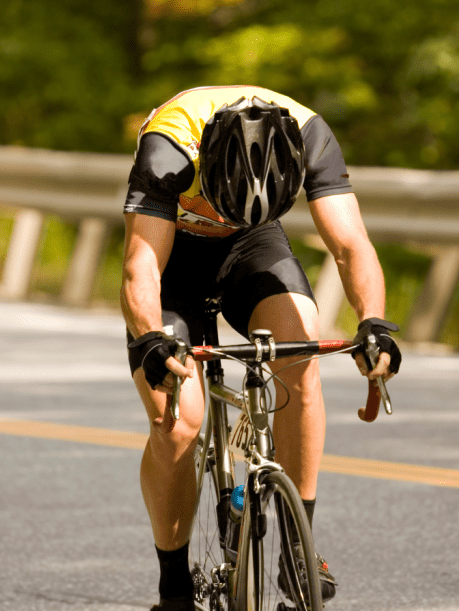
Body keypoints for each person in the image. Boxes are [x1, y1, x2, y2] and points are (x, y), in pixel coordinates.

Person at [120, 86, 402, 611]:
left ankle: (300, 550)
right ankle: (174, 586)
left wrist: (373, 324)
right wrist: (151, 339)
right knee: (178, 422)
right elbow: (141, 266)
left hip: (254, 245)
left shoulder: (310, 134)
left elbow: (350, 245)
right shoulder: (170, 146)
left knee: (301, 360)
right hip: (174, 255)